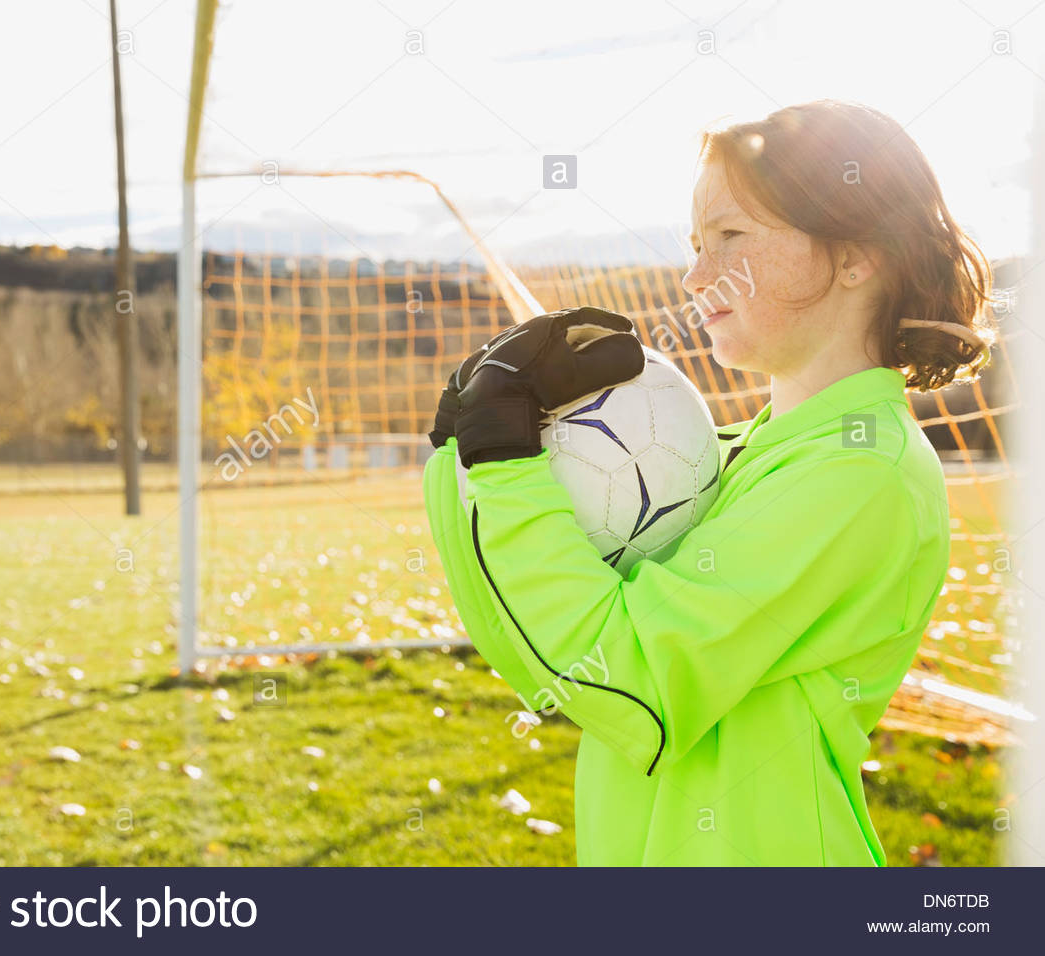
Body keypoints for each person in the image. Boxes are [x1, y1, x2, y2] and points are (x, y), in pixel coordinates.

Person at [422, 99, 994, 866]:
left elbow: (632, 686)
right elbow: (542, 660)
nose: (695, 275)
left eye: (731, 237)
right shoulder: (730, 455)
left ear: (859, 254)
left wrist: (505, 465)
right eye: (695, 243)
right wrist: (458, 454)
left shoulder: (861, 471)